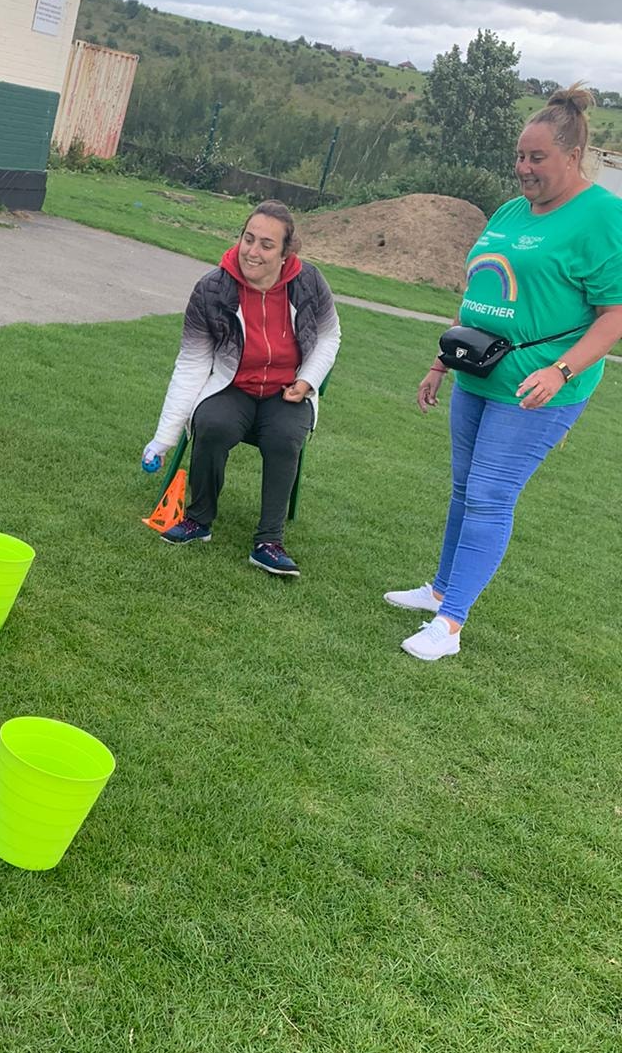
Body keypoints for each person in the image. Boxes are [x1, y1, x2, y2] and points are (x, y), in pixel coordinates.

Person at [386, 85, 622, 661]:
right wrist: (441, 361)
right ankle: (440, 589)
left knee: (490, 494)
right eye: (519, 156)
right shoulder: (511, 211)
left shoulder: (602, 216)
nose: (523, 167)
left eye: (537, 157)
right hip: (477, 373)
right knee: (464, 488)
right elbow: (481, 290)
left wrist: (561, 371)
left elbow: (615, 314)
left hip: (537, 388)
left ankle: (450, 625)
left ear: (573, 156)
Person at [143, 201, 341, 576]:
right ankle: (198, 520)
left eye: (267, 245)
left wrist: (307, 380)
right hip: (233, 386)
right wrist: (163, 439)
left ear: (286, 253)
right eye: (248, 239)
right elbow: (192, 363)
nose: (253, 251)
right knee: (212, 423)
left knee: (284, 437)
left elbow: (329, 337)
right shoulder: (212, 289)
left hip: (287, 390)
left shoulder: (309, 281)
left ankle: (269, 543)